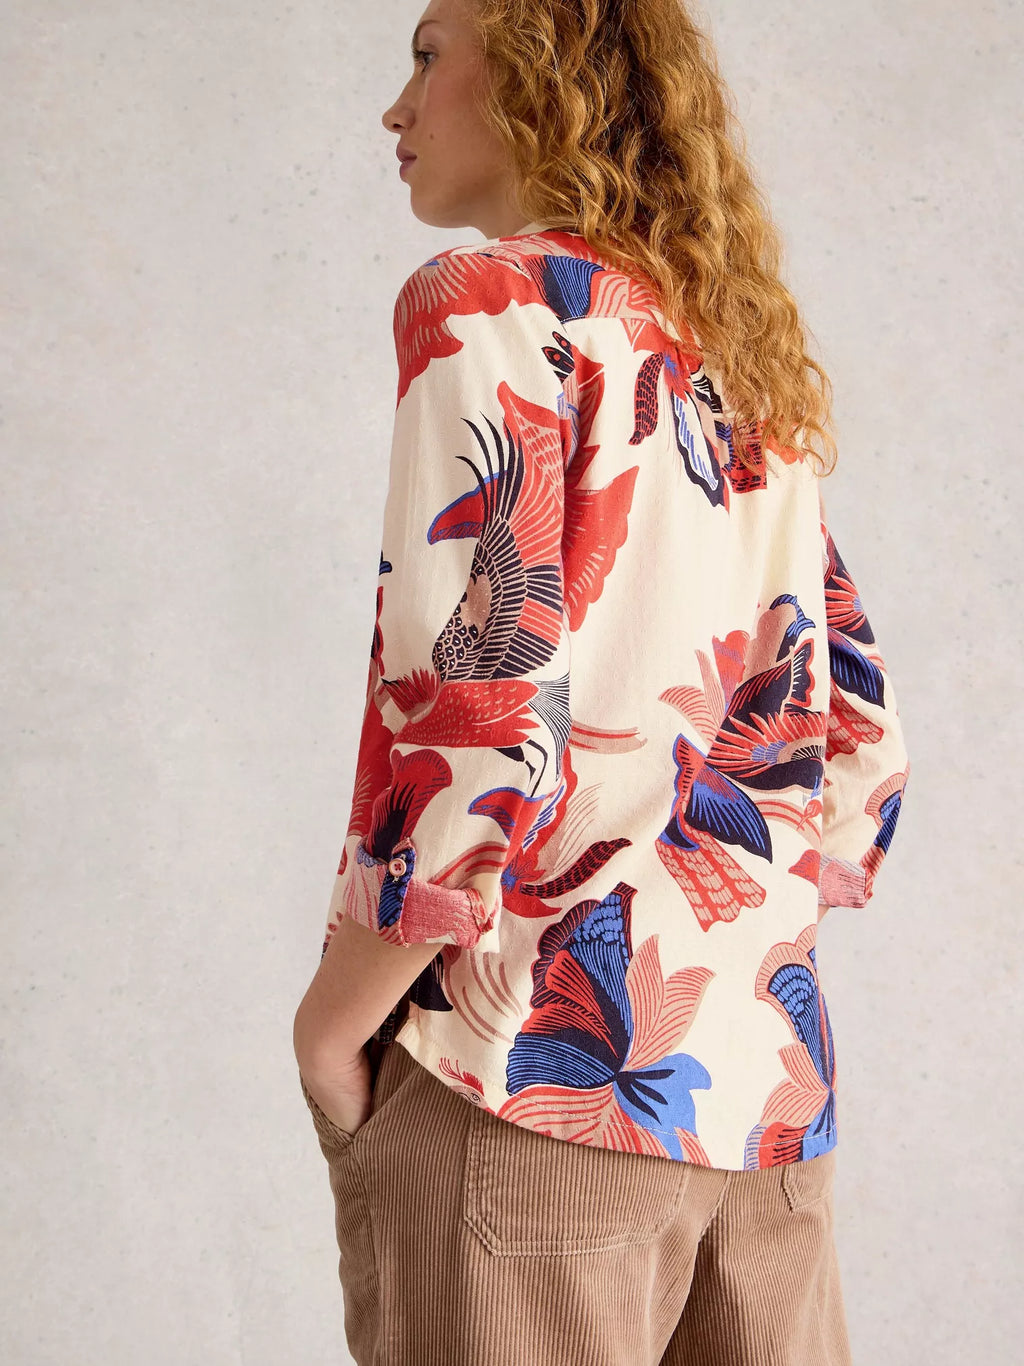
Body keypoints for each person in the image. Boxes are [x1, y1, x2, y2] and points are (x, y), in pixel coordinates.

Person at [292, 0, 911, 1361]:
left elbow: (480, 698)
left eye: (427, 55)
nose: (396, 106)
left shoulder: (484, 302)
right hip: (761, 1105)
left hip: (526, 1073)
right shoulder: (728, 342)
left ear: (539, 71)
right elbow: (852, 725)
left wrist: (334, 1026)